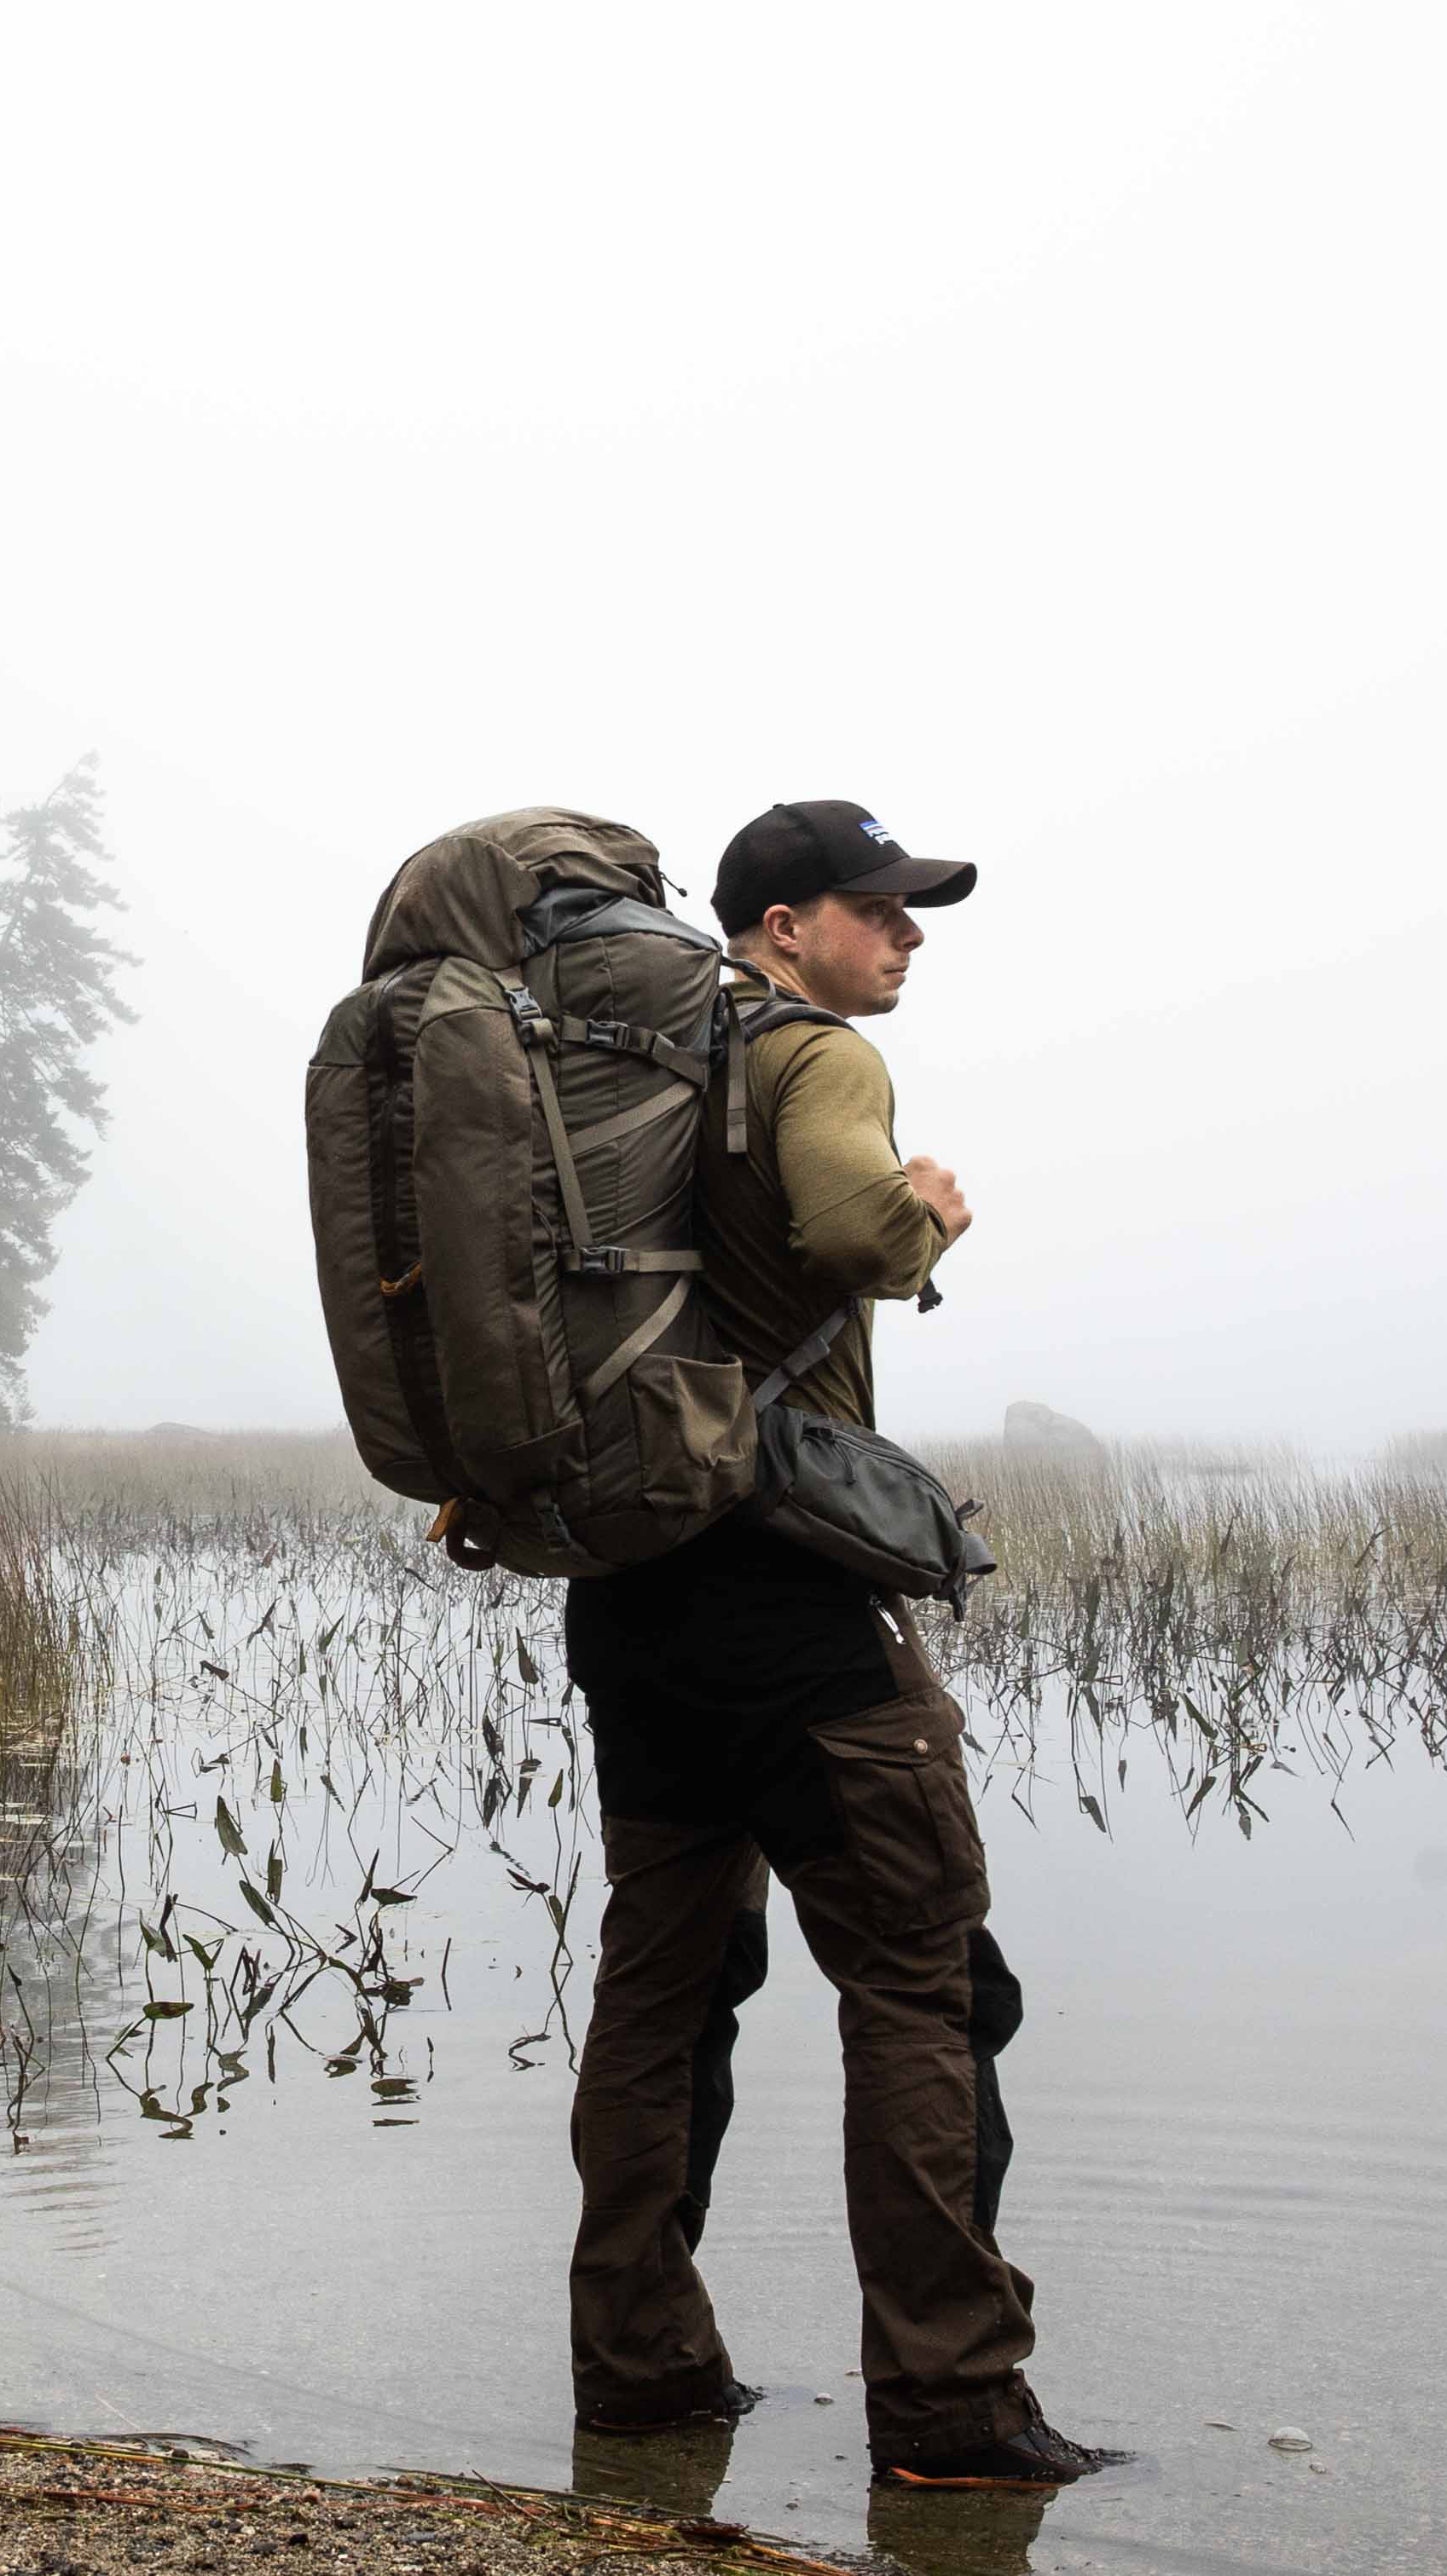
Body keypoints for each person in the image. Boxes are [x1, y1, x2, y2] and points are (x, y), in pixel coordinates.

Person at [560, 799, 1114, 2489]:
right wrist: (925, 1204)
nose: (908, 935)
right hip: (791, 1604)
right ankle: (951, 2414)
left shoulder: (600, 1082)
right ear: (781, 924)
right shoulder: (808, 1057)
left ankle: (638, 2381)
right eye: (879, 908)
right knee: (924, 1984)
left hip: (629, 1602)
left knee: (661, 1993)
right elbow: (853, 1235)